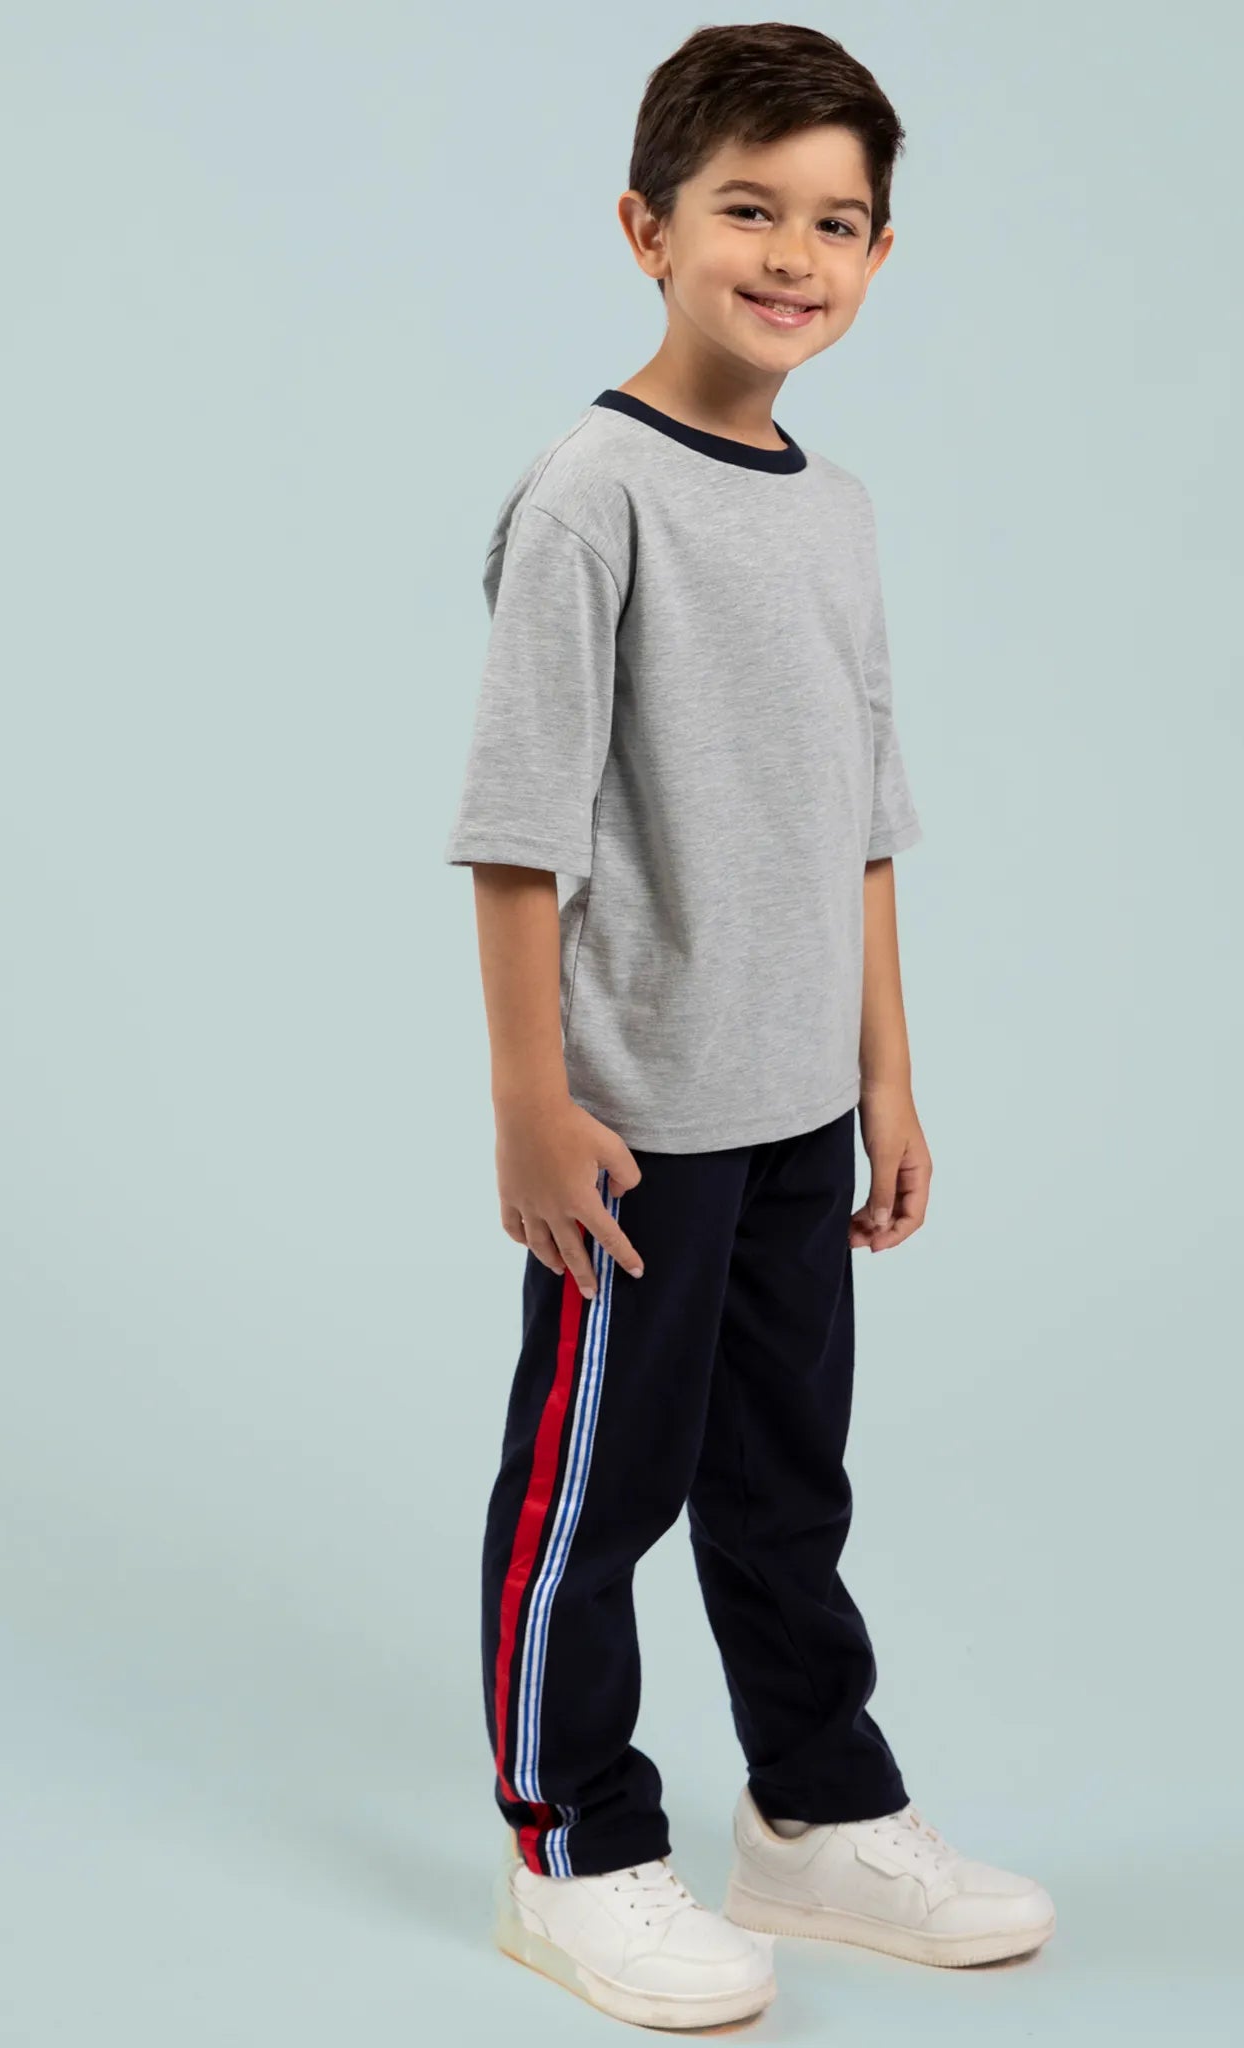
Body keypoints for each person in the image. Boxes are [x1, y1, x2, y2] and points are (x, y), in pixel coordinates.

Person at [442, 21, 1055, 2031]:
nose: (795, 254)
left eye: (840, 223)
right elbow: (520, 834)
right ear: (649, 228)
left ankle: (809, 1806)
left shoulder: (837, 506)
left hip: (802, 1109)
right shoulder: (590, 497)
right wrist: (535, 1108)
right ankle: (574, 1841)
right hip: (638, 1116)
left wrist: (890, 1080)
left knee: (787, 1481)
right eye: (750, 211)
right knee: (593, 1491)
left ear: (879, 258)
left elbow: (868, 824)